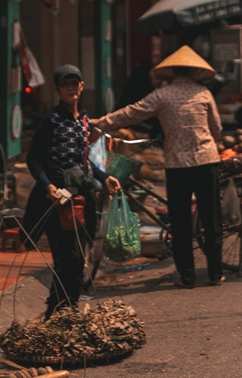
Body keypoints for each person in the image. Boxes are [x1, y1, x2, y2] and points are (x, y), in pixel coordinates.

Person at [91, 46, 224, 289]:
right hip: (206, 162)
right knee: (211, 217)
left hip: (177, 165)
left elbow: (133, 113)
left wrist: (102, 123)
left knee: (181, 222)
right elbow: (217, 129)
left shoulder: (162, 95)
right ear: (195, 71)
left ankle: (187, 276)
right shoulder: (204, 93)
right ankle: (216, 273)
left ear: (172, 72)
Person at [21, 65, 120, 318]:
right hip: (57, 200)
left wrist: (104, 177)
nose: (71, 88)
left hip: (81, 198)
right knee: (70, 259)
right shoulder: (50, 121)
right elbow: (34, 159)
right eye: (65, 84)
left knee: (75, 261)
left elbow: (83, 162)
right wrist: (48, 185)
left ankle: (60, 313)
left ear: (81, 86)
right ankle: (61, 313)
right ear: (57, 90)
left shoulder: (84, 120)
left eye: (74, 83)